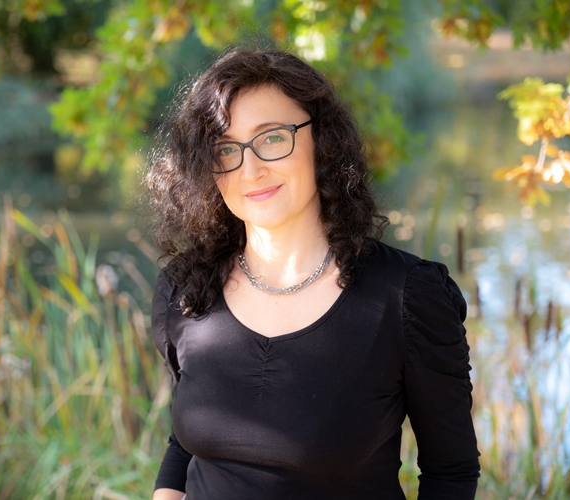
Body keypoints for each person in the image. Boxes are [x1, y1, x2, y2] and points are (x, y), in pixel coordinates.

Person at [145, 47, 479, 500]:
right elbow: (185, 445)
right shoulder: (186, 290)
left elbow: (451, 473)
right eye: (225, 149)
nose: (250, 169)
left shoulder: (406, 298)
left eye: (272, 138)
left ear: (322, 140)